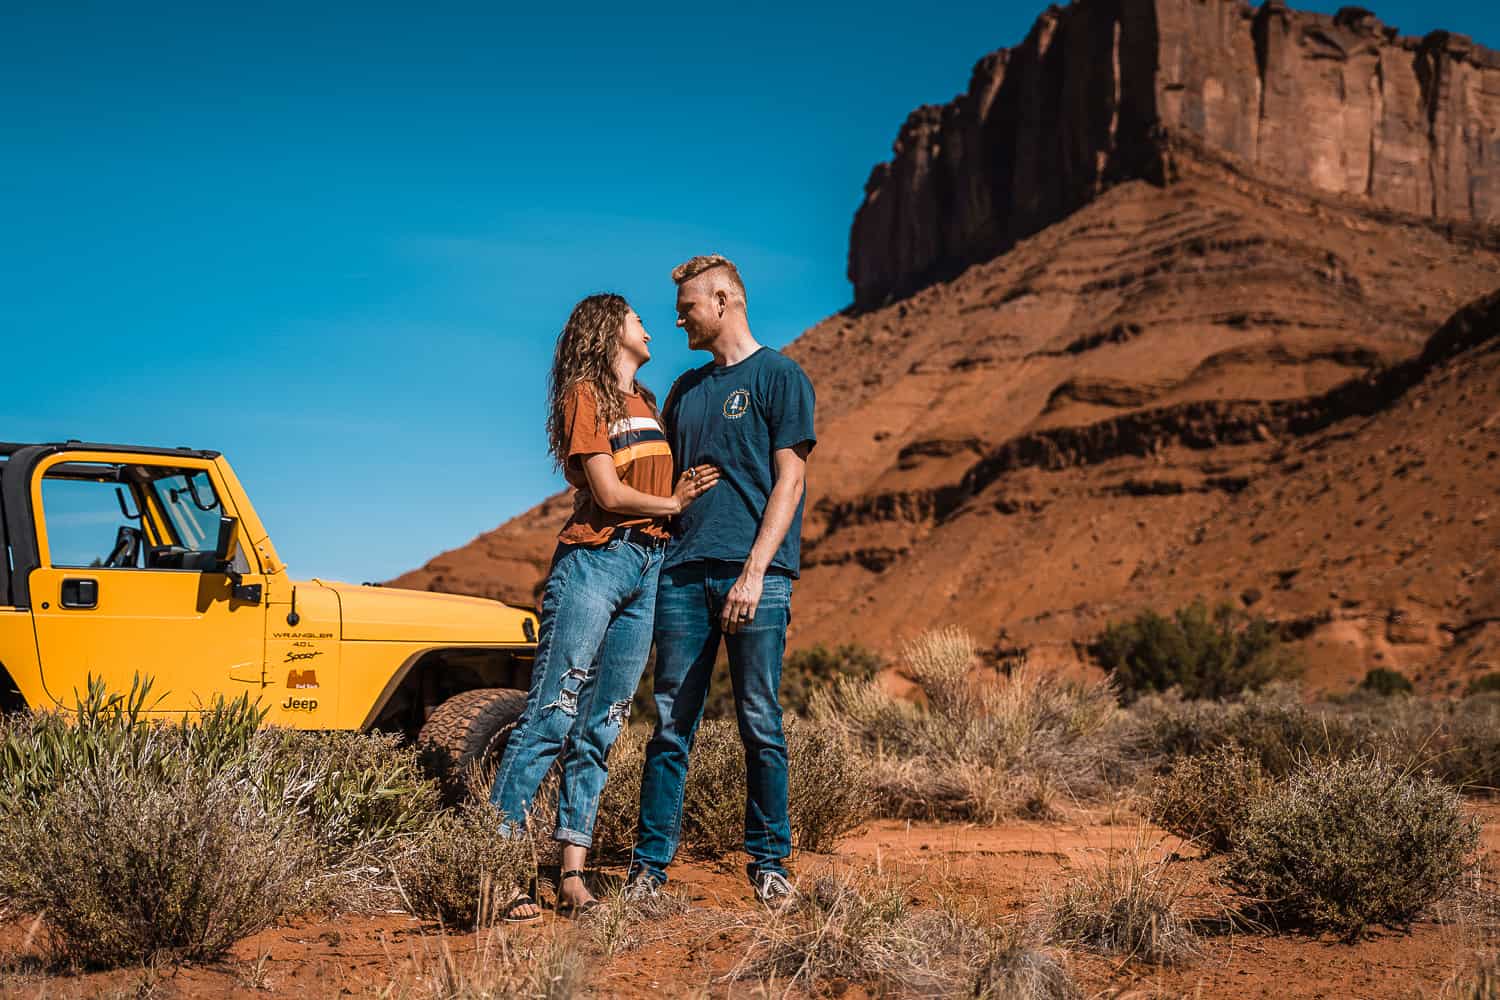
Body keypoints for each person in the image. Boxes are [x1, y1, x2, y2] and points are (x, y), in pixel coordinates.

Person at [489, 292, 719, 921]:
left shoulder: (647, 402)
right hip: (596, 561)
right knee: (551, 715)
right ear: (611, 328)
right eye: (640, 320)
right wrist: (674, 503)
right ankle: (496, 871)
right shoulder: (586, 397)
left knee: (603, 726)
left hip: (648, 568)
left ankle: (571, 877)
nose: (651, 330)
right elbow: (609, 493)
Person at [625, 254, 816, 910]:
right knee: (670, 724)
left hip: (755, 576)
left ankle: (769, 863)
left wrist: (754, 572)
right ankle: (649, 870)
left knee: (759, 719)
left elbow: (790, 480)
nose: (678, 320)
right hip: (682, 575)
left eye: (687, 308)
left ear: (723, 301)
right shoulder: (684, 390)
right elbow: (666, 478)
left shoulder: (780, 377)